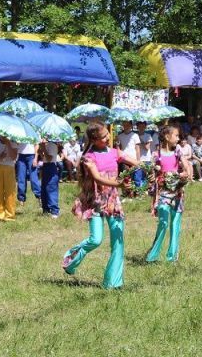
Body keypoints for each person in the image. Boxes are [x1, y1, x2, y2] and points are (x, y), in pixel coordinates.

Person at [62, 122, 140, 289]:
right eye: (104, 136)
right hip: (95, 201)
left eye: (108, 134)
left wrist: (152, 169)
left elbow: (136, 162)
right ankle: (71, 259)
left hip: (113, 202)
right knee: (96, 239)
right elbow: (97, 178)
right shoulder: (88, 157)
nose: (108, 137)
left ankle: (113, 282)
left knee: (118, 239)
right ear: (94, 139)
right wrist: (118, 184)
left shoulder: (114, 152)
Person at [146, 125, 191, 262]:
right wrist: (152, 175)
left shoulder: (178, 151)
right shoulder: (156, 154)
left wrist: (183, 173)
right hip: (163, 192)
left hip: (177, 191)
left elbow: (186, 167)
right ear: (167, 137)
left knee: (175, 223)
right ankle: (153, 255)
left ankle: (172, 257)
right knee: (163, 222)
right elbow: (151, 172)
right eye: (176, 136)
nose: (178, 138)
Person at [0, 136, 19, 222]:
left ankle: (10, 215)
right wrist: (0, 157)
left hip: (9, 168)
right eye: (2, 135)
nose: (4, 137)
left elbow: (14, 157)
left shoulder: (13, 144)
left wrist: (8, 144)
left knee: (10, 192)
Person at [38, 139, 61, 218]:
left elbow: (49, 158)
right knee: (44, 189)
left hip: (51, 166)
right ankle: (46, 209)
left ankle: (54, 211)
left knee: (51, 188)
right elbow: (44, 157)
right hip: (45, 166)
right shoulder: (47, 145)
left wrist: (43, 148)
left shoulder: (52, 145)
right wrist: (41, 150)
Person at [16, 140, 41, 207]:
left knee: (33, 178)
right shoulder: (19, 132)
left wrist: (35, 158)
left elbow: (37, 145)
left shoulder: (34, 131)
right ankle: (21, 200)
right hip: (21, 156)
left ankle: (39, 197)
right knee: (21, 178)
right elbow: (16, 144)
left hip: (31, 156)